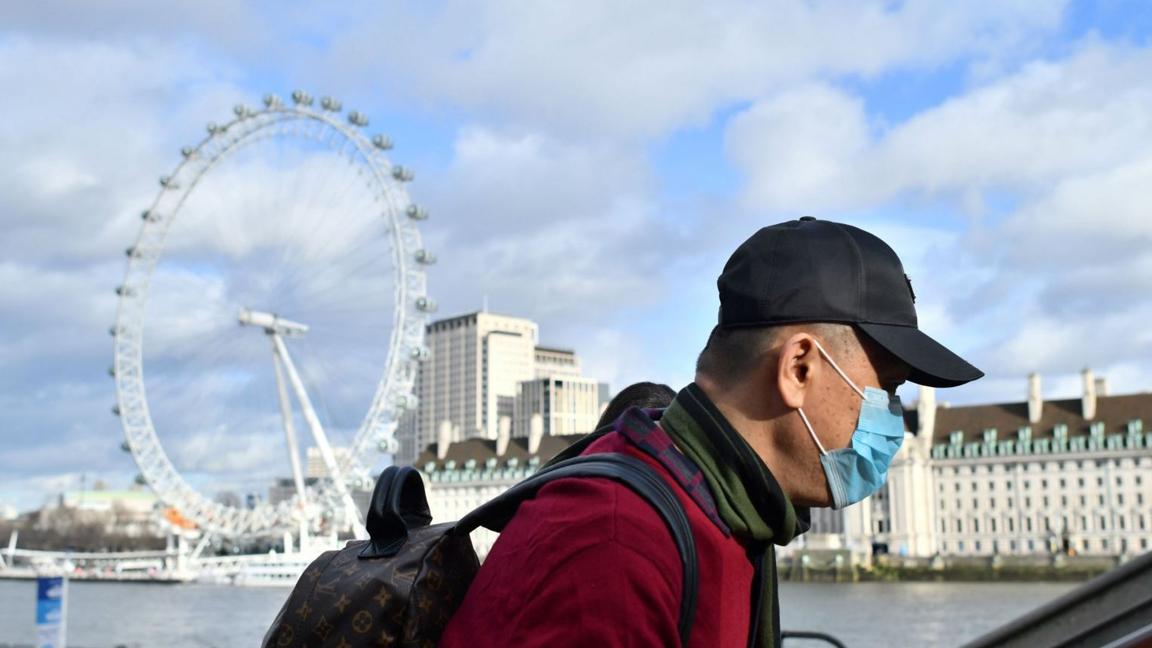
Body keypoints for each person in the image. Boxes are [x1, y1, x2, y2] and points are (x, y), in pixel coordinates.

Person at [439, 217, 983, 648]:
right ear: (798, 368)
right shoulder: (616, 544)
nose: (892, 416)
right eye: (886, 388)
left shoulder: (729, 516)